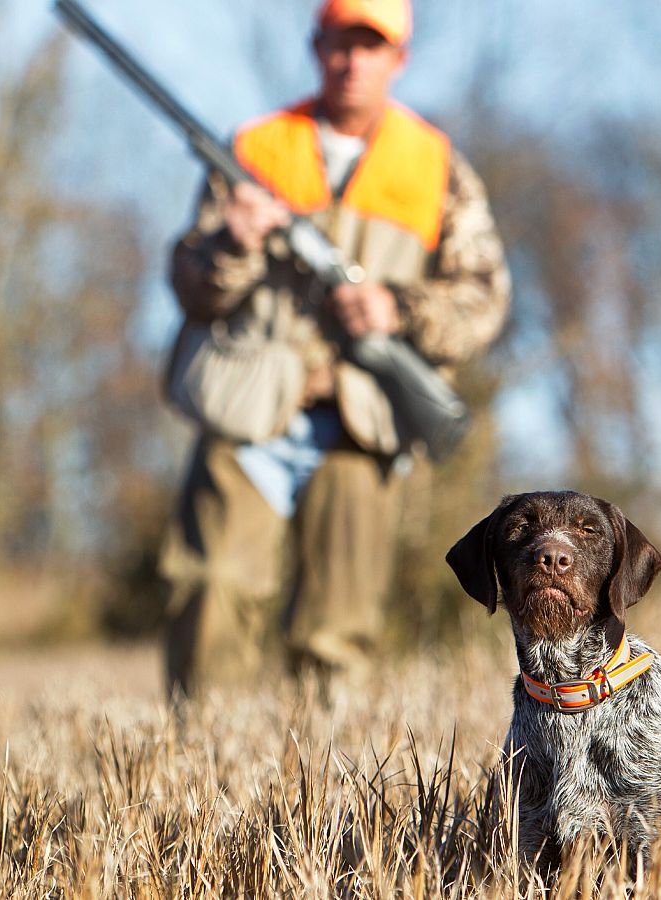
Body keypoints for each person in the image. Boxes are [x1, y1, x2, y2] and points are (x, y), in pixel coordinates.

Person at [161, 0, 511, 700]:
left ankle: (321, 783)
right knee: (212, 590)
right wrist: (234, 242)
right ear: (315, 47)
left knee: (338, 628)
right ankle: (200, 754)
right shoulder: (253, 149)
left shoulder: (437, 166)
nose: (352, 61)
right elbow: (191, 288)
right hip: (251, 400)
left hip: (363, 414)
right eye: (338, 43)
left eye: (370, 45)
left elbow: (485, 299)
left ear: (398, 58)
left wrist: (399, 308)